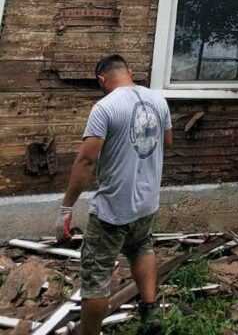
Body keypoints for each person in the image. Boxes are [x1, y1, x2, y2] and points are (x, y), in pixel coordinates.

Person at [57, 55, 172, 335]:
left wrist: (66, 207)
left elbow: (86, 162)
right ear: (129, 72)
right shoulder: (158, 100)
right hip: (147, 204)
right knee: (142, 248)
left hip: (112, 210)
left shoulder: (105, 108)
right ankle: (150, 312)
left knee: (96, 278)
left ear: (101, 80)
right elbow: (166, 141)